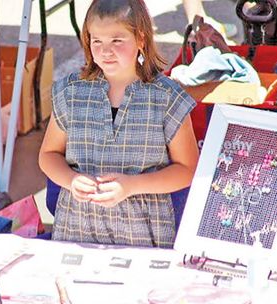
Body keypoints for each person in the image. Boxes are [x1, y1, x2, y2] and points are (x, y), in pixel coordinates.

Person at [39, 0, 199, 248]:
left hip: (146, 236)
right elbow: (48, 155)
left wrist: (132, 185)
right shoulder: (70, 92)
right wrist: (71, 179)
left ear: (141, 39)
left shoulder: (167, 98)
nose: (105, 51)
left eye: (117, 40)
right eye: (97, 41)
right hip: (75, 231)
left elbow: (188, 170)